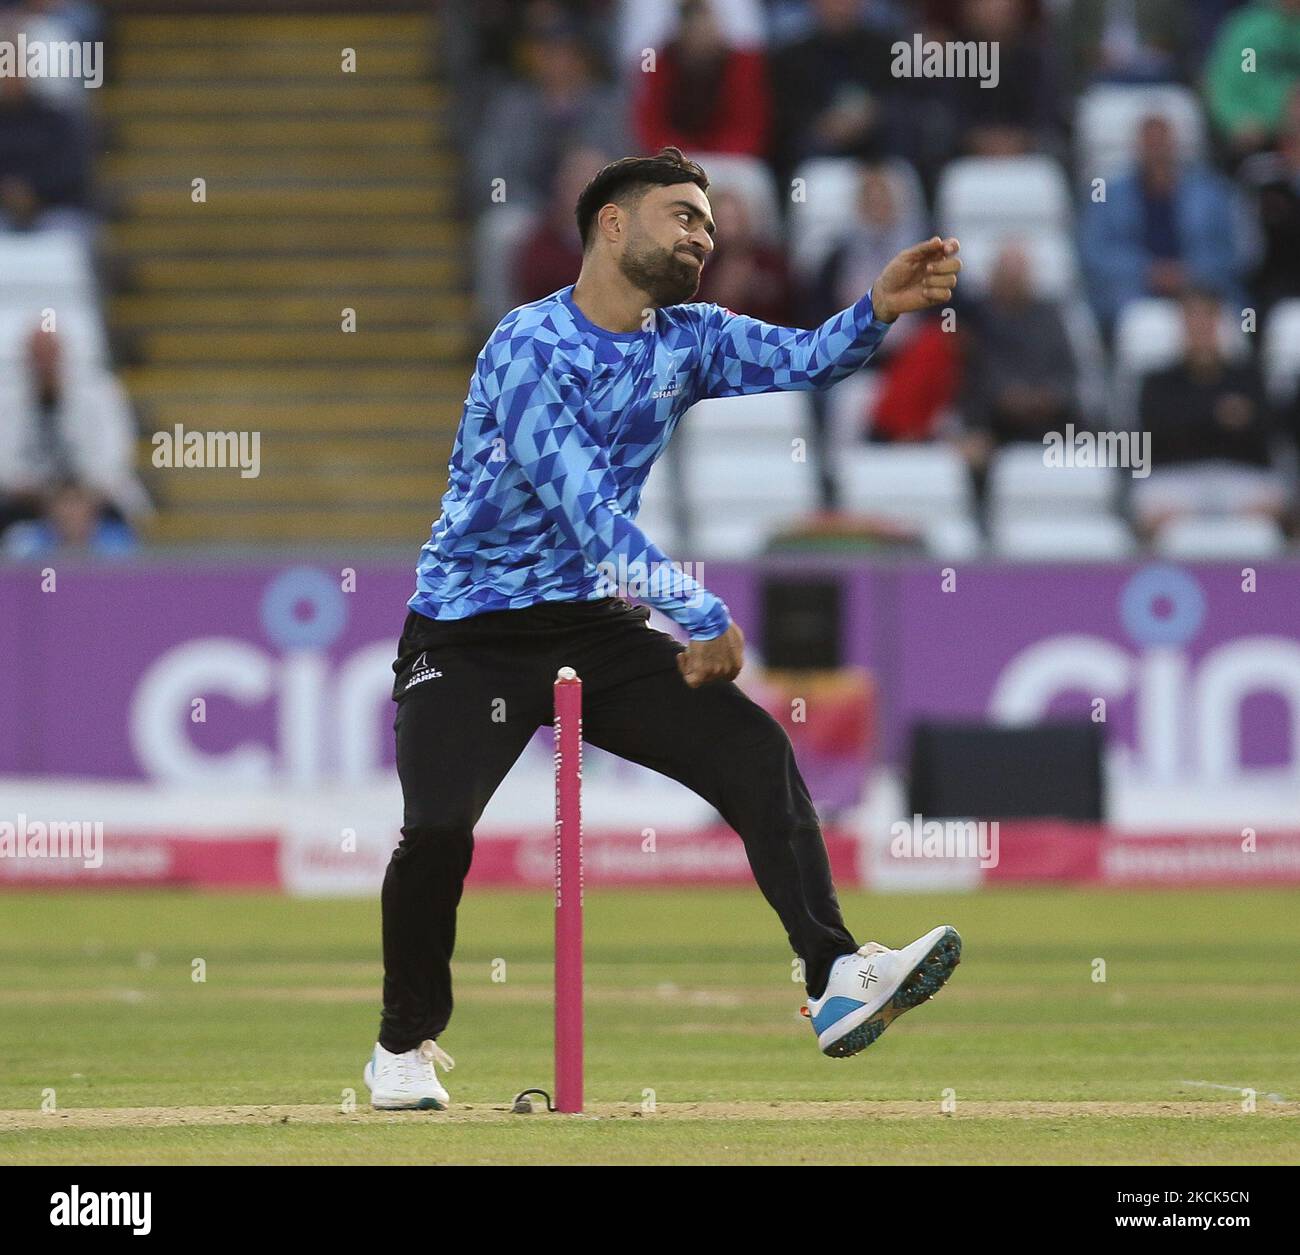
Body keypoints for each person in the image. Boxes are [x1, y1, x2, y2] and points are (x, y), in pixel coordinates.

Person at [364, 147, 965, 1110]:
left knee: (754, 749)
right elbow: (581, 509)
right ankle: (401, 1046)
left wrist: (876, 310)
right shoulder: (527, 345)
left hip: (594, 630)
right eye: (683, 215)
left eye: (711, 222)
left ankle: (835, 978)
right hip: (467, 632)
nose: (705, 235)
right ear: (612, 223)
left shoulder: (688, 337)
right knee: (437, 829)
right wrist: (702, 611)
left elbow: (809, 359)